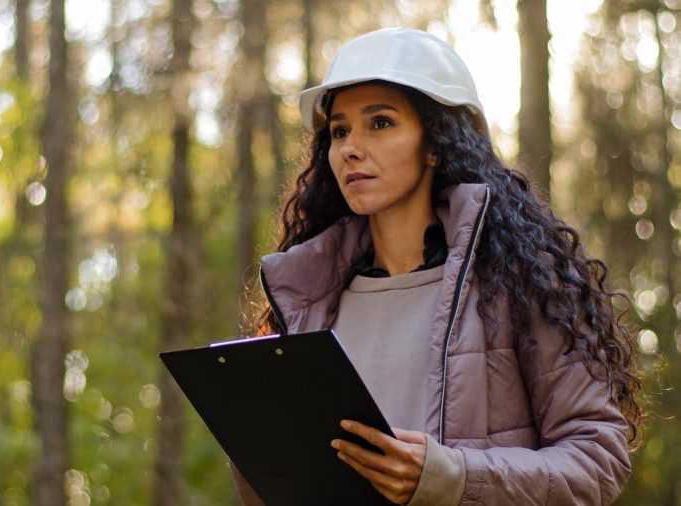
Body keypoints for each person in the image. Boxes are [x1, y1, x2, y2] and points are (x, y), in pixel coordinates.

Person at [231, 27, 640, 505]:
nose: (350, 148)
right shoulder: (309, 300)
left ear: (436, 144)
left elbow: (598, 461)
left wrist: (454, 477)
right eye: (339, 131)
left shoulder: (522, 283)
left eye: (380, 123)